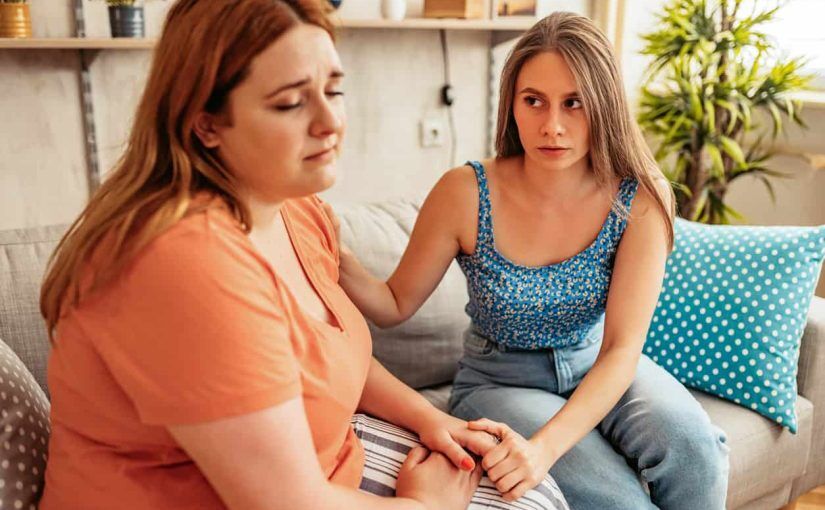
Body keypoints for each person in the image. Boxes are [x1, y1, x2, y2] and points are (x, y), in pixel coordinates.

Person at [38, 1, 568, 509]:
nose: (329, 122)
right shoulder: (184, 264)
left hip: (332, 468)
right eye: (291, 102)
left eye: (334, 91)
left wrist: (431, 418)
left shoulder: (296, 208)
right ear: (207, 124)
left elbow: (338, 360)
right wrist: (425, 505)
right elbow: (285, 503)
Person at [334, 11, 729, 510]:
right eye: (534, 101)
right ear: (512, 105)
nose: (552, 126)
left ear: (603, 106)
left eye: (574, 103)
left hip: (598, 362)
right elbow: (393, 303)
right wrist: (335, 253)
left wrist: (542, 450)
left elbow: (622, 351)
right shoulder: (465, 192)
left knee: (696, 450)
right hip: (499, 381)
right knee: (619, 501)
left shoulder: (640, 199)